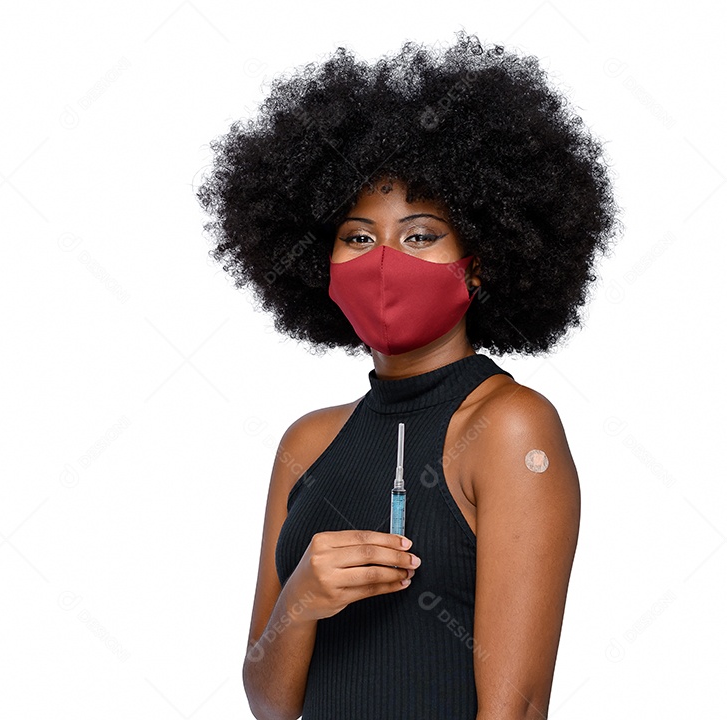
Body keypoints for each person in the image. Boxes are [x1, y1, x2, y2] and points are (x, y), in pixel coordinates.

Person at [195, 31, 619, 719]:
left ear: (477, 263)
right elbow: (270, 703)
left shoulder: (509, 427)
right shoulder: (306, 442)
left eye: (420, 235)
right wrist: (299, 602)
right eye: (358, 237)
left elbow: (517, 708)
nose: (384, 259)